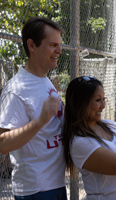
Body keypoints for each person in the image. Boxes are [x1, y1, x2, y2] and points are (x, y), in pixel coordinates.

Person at [0, 17, 67, 199]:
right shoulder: (16, 90)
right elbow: (3, 143)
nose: (59, 51)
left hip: (55, 183)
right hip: (36, 190)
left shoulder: (44, 80)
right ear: (32, 45)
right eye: (53, 45)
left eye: (59, 45)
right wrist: (39, 121)